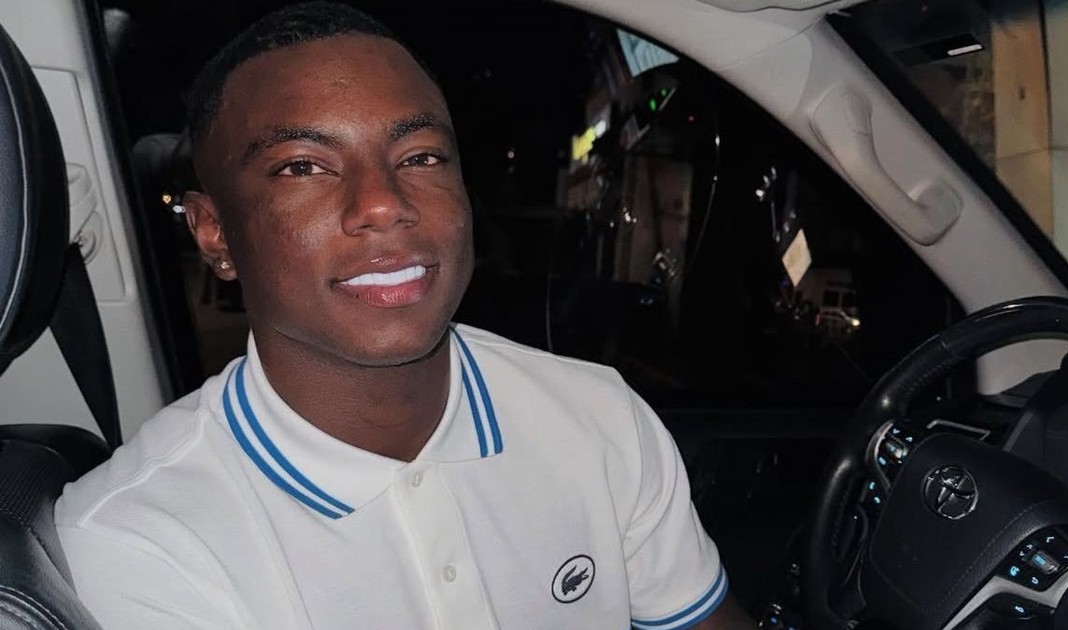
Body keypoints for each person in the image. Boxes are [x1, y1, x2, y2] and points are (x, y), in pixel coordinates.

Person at [54, 3, 754, 628]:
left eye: (420, 156)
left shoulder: (598, 419)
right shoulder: (140, 538)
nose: (384, 203)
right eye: (303, 167)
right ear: (216, 236)